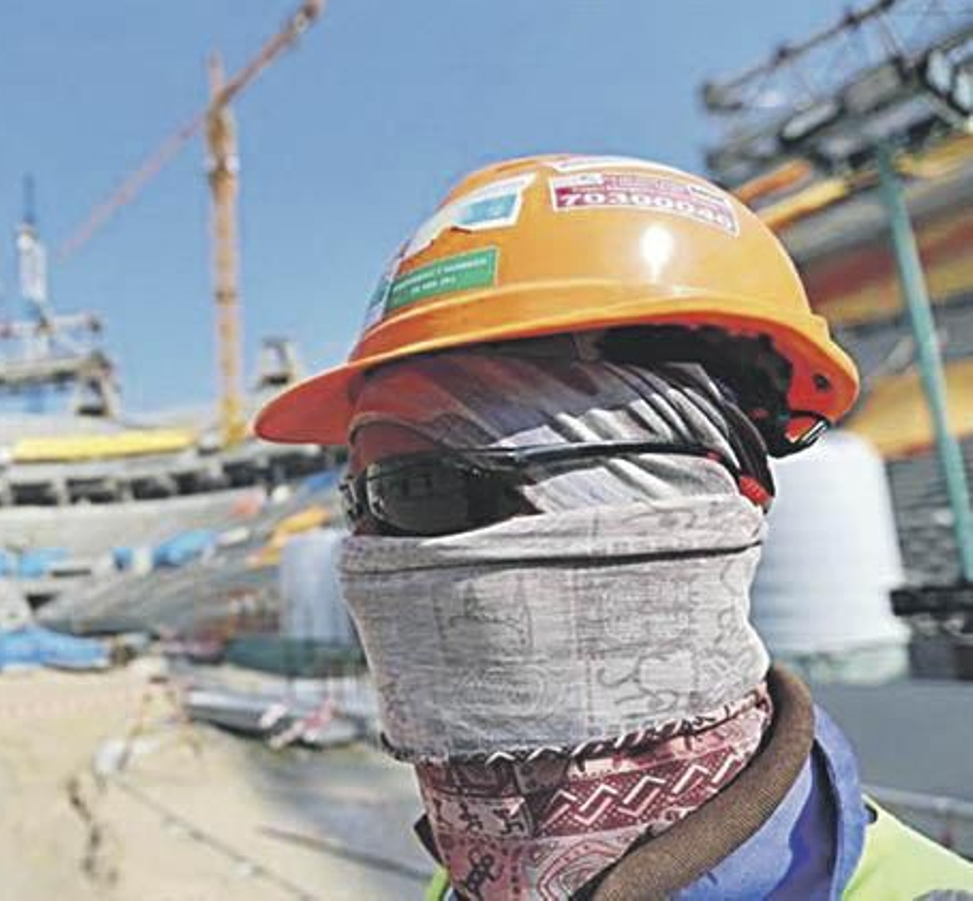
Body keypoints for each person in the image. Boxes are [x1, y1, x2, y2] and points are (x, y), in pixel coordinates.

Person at [254, 154, 973, 898]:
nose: (365, 556)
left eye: (419, 490)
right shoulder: (480, 878)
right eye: (358, 504)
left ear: (674, 511)